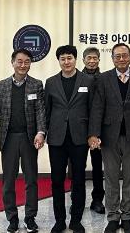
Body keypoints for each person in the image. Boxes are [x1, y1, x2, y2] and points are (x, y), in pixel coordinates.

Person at [0, 49, 46, 233]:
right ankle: (12, 218)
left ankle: (30, 217)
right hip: (8, 138)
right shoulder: (1, 86)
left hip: (29, 138)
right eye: (19, 61)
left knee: (31, 180)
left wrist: (41, 132)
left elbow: (40, 111)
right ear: (12, 62)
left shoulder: (36, 85)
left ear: (30, 63)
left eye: (27, 62)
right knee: (8, 181)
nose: (23, 65)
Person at [88, 43, 130, 233]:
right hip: (109, 137)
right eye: (117, 56)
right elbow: (97, 107)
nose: (121, 59)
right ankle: (112, 216)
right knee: (111, 178)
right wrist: (94, 134)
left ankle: (127, 216)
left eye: (125, 55)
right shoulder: (103, 78)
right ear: (112, 58)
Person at [45, 45, 95, 233]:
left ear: (75, 59)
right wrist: (44, 132)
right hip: (57, 138)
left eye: (70, 58)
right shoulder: (51, 82)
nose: (66, 62)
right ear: (59, 61)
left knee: (79, 179)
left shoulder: (88, 81)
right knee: (57, 180)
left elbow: (93, 109)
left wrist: (92, 134)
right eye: (63, 59)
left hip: (79, 137)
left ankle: (76, 220)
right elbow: (47, 110)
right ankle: (59, 220)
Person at [81, 47, 105, 215]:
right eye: (88, 58)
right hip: (79, 129)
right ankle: (77, 200)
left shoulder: (104, 79)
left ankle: (97, 200)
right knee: (78, 167)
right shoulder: (77, 78)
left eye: (94, 58)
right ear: (83, 60)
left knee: (98, 166)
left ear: (98, 60)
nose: (91, 61)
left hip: (98, 130)